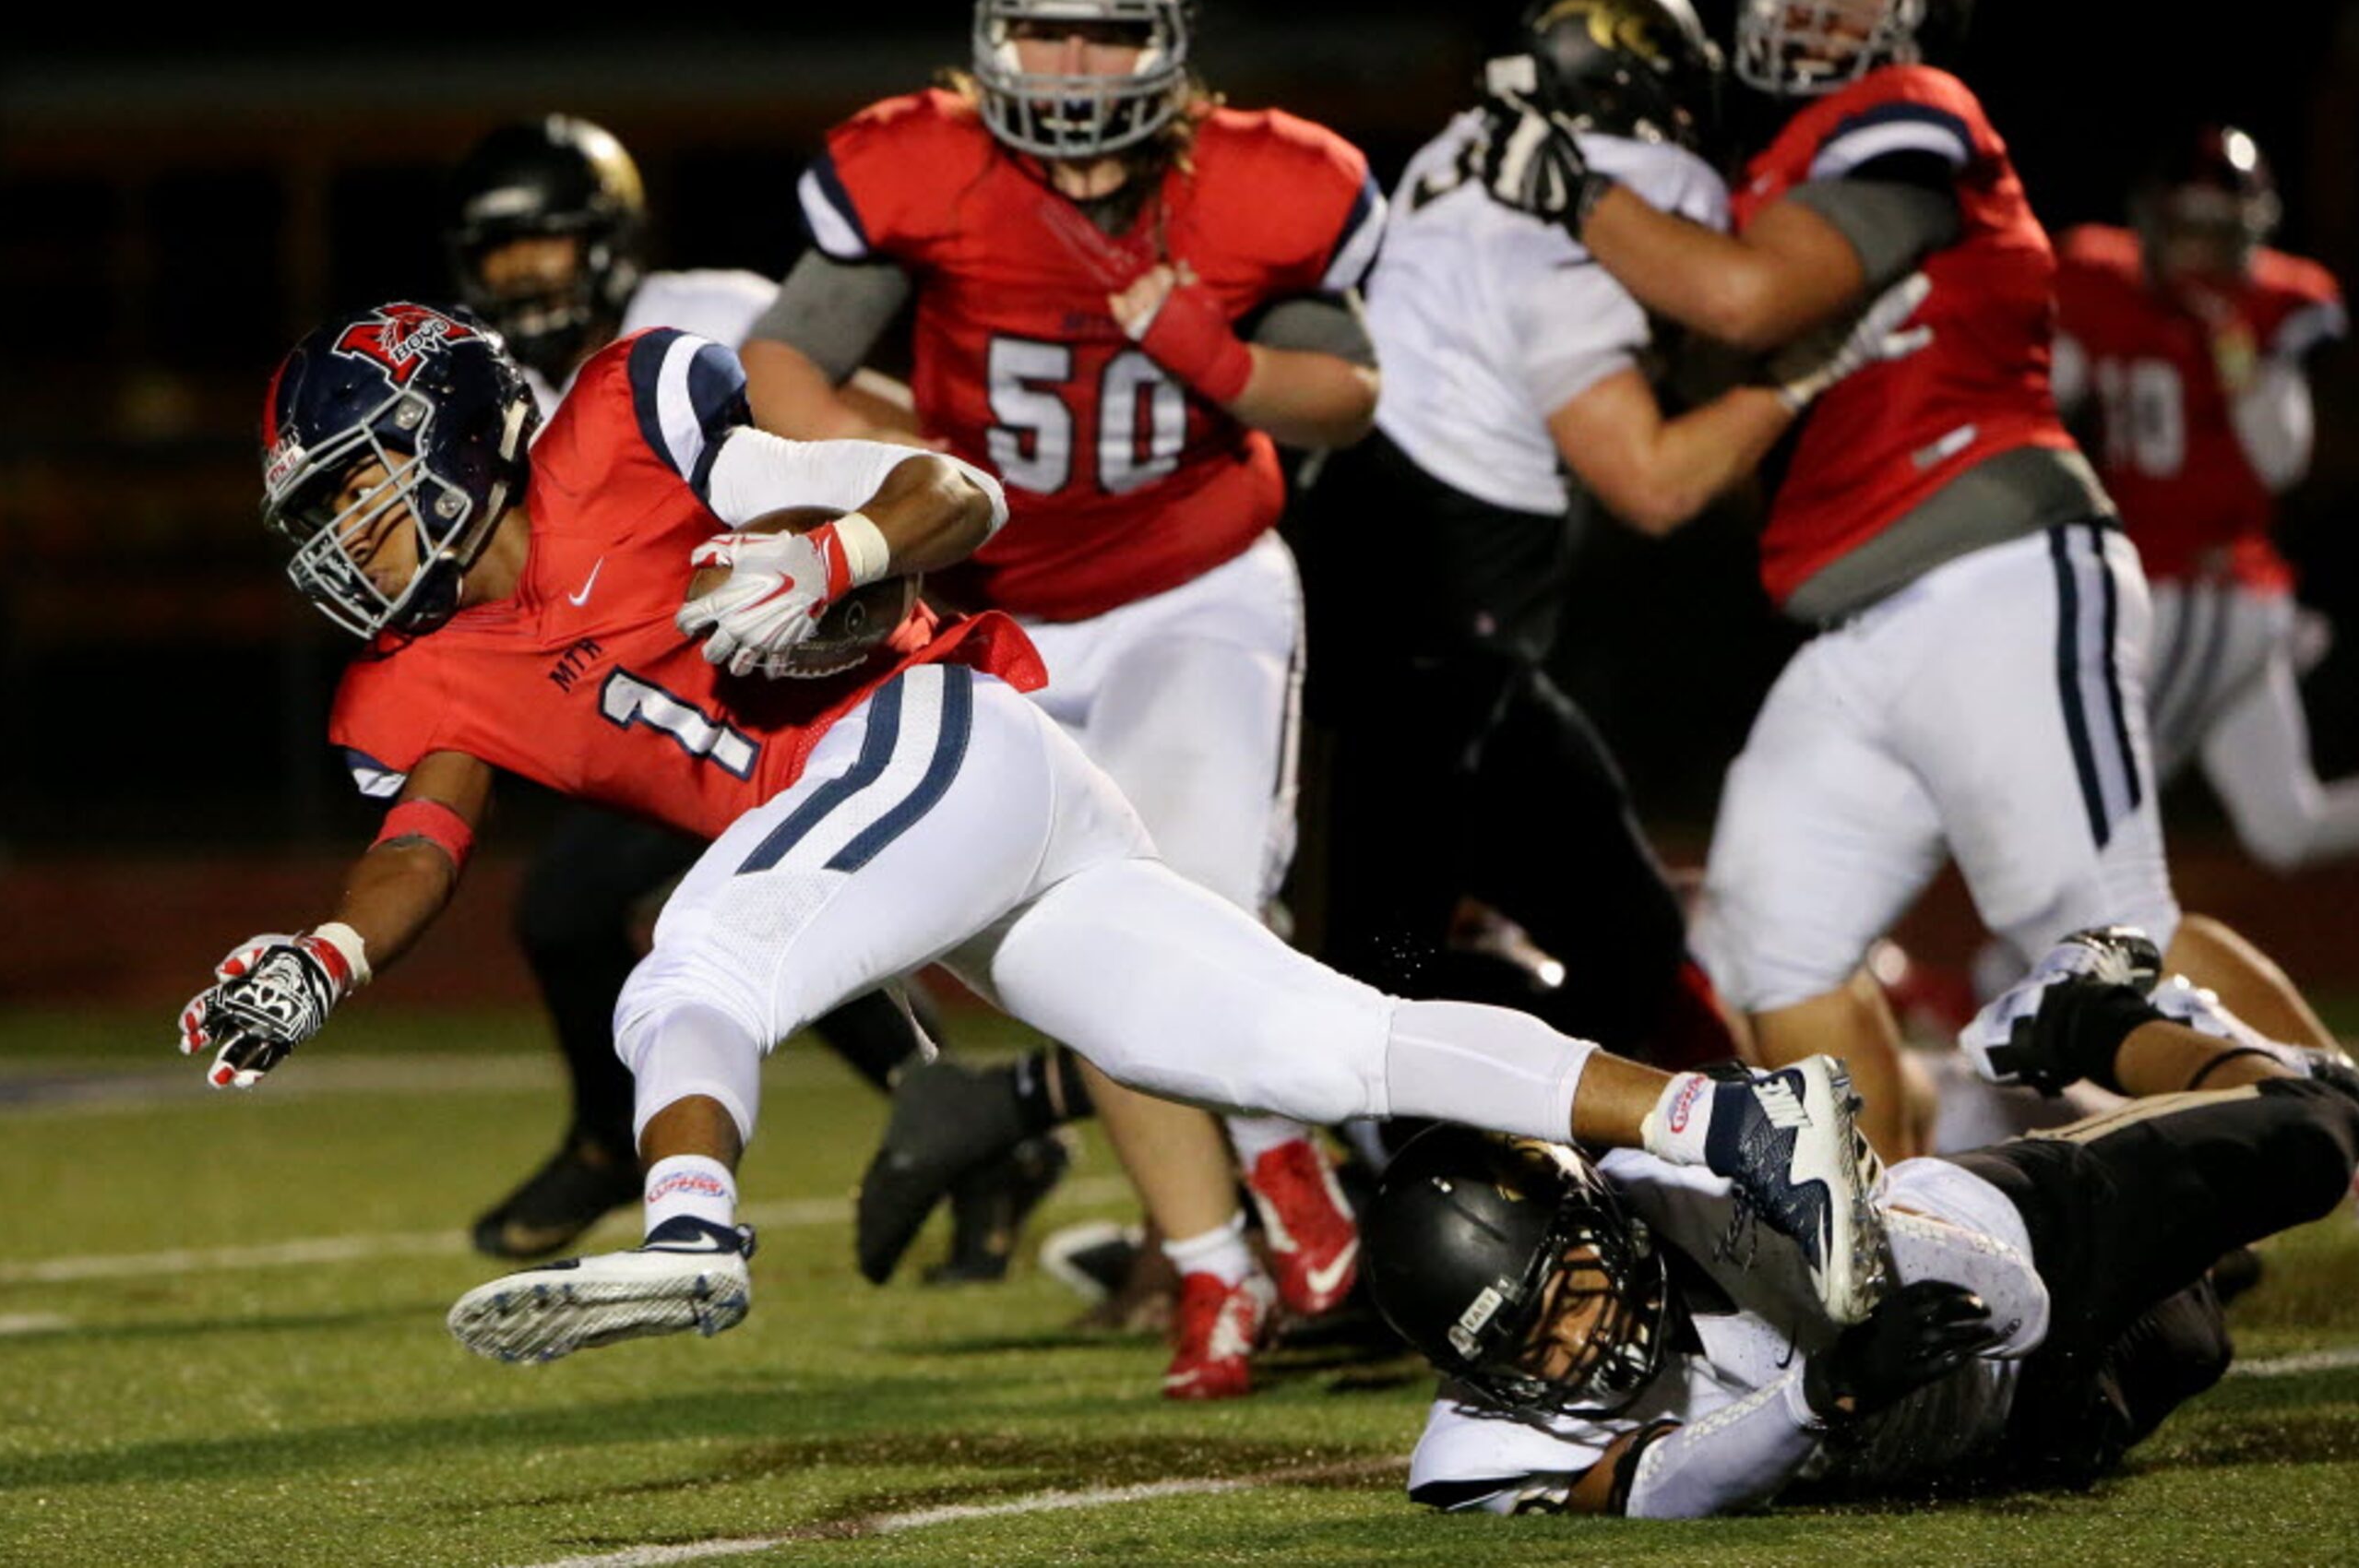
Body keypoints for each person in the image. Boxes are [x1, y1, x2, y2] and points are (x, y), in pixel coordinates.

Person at [177, 299, 1893, 1374]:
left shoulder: (636, 421)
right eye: (324, 513)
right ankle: (1741, 1119)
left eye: (359, 480)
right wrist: (322, 956)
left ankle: (692, 1228)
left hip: (934, 732)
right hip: (948, 832)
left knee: (691, 955)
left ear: (457, 423)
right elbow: (419, 846)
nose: (349, 530)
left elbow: (953, 491)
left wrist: (835, 553)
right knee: (1314, 1046)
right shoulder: (415, 679)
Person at [1480, 0, 2301, 1161]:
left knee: (2106, 938)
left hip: (1996, 570)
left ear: (1914, 10)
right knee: (1769, 935)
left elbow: (1744, 302)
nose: (1814, 3)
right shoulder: (1772, 176)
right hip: (1856, 623)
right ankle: (1916, 1243)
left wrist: (1575, 189)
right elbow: (1685, 415)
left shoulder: (1911, 112)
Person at [738, 0, 1386, 1395]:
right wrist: (883, 494)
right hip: (1000, 604)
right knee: (1061, 937)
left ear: (1166, 44)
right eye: (1041, 34)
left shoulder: (1260, 181)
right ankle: (1215, 1265)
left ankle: (1283, 1173)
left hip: (1189, 584)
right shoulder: (924, 164)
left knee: (1203, 894)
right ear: (992, 38)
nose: (1071, 72)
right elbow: (784, 357)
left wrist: (1212, 352)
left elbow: (1345, 394)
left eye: (1102, 41)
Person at [436, 115, 1066, 1268]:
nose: (526, 280)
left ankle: (619, 1142)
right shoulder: (506, 388)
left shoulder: (704, 317)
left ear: (609, 242)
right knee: (709, 916)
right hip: (689, 681)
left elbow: (877, 434)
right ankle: (973, 1124)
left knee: (656, 910)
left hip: (821, 653)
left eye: (547, 248)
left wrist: (852, 552)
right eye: (501, 258)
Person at [1300, 0, 1923, 1066]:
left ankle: (1643, 1130)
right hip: (1446, 608)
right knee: (1378, 977)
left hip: (1370, 561)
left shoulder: (1463, 146)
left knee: (1612, 931)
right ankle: (1060, 1109)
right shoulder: (1636, 181)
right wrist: (1800, 374)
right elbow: (1653, 478)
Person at [1364, 926, 2359, 1517]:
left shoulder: (1687, 1181)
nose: (1574, 1342)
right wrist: (1824, 1392)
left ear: (1604, 1221)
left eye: (1568, 1294)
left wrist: (1889, 1313)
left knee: (2323, 1130)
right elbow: (1649, 1491)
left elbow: (2005, 1293)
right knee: (2196, 1335)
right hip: (2015, 1438)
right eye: (1524, 1347)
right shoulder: (1476, 1448)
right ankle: (2207, 1251)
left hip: (2012, 1241)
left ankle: (2091, 1021)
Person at [2054, 125, 2359, 872]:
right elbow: (2048, 396)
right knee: (2286, 827)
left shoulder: (2266, 313)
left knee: (2111, 794)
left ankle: (1999, 973)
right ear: (2152, 221)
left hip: (2207, 588)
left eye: (2218, 234)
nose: (2199, 253)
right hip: (2164, 581)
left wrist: (2235, 352)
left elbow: (2280, 462)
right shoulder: (2105, 284)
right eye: (2186, 228)